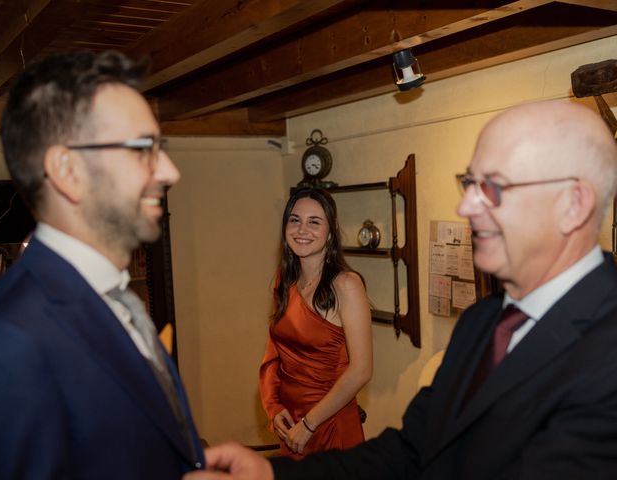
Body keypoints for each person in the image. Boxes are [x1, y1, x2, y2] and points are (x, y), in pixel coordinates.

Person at [184, 99, 617, 480]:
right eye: (469, 184)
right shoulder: (481, 324)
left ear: (573, 204)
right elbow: (410, 452)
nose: (466, 207)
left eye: (493, 187)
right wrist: (270, 475)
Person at [0, 50, 204, 478]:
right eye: (143, 149)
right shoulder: (5, 341)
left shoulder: (119, 299)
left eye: (163, 147)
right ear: (68, 170)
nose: (170, 171)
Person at [259, 187, 373, 459]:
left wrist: (310, 424)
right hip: (291, 425)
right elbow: (274, 353)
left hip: (327, 423)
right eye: (295, 220)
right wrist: (274, 408)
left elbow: (361, 371)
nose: (302, 229)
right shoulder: (284, 280)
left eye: (314, 221)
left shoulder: (346, 285)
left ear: (331, 231)